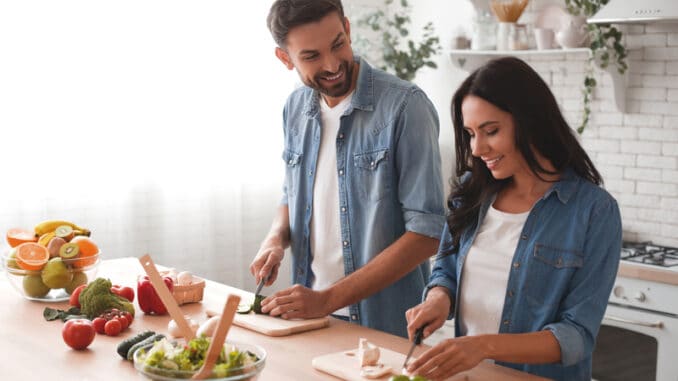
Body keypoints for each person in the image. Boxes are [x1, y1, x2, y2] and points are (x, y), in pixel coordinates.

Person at [404, 57, 622, 381]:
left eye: (490, 131)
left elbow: (575, 336)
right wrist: (438, 298)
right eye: (470, 134)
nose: (477, 149)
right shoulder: (471, 192)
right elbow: (446, 270)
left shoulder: (595, 212)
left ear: (530, 121)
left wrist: (483, 346)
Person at [249, 0, 446, 337]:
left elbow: (427, 235)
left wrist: (327, 299)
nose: (332, 64)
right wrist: (275, 239)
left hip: (384, 326)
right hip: (310, 320)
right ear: (285, 59)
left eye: (338, 44)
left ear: (348, 28)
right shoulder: (295, 107)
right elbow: (292, 192)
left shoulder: (405, 107)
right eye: (311, 56)